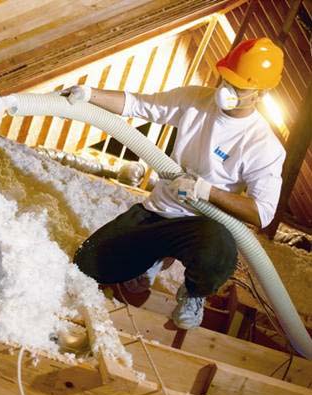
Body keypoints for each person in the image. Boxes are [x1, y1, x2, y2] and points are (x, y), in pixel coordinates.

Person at [64, 37, 286, 329]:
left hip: (201, 225)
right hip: (156, 212)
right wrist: (90, 93)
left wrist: (205, 190)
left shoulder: (263, 145)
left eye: (238, 87)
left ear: (260, 93)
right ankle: (152, 259)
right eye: (226, 79)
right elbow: (139, 104)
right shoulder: (195, 100)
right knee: (86, 265)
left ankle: (194, 293)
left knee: (219, 250)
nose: (226, 90)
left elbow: (262, 212)